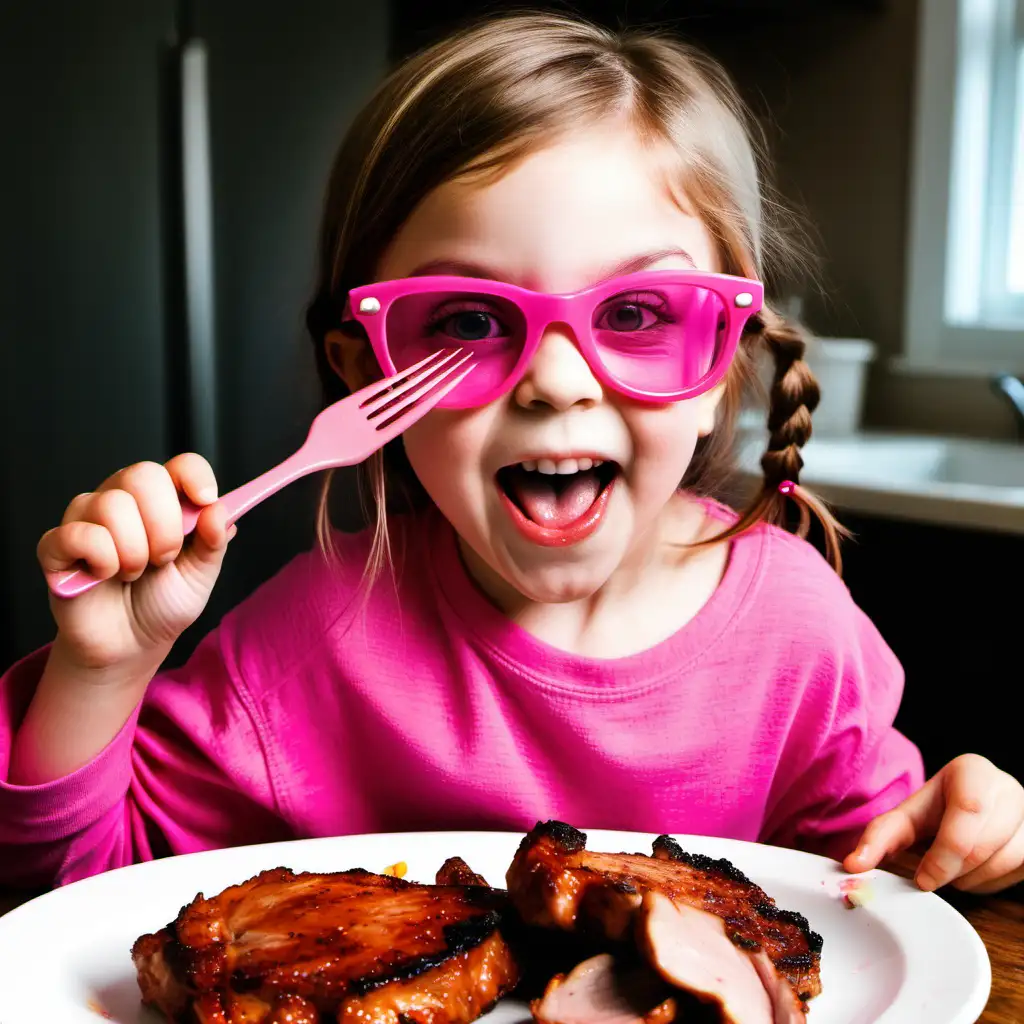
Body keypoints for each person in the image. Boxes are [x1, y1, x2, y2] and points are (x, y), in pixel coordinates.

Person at [2, 13, 1021, 897]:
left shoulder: (801, 640)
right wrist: (102, 665)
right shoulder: (310, 639)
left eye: (633, 311)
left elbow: (877, 892)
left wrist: (961, 833)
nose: (556, 381)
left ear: (720, 360)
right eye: (469, 318)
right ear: (367, 373)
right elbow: (79, 897)